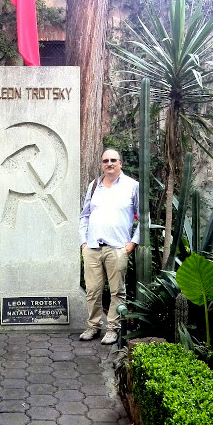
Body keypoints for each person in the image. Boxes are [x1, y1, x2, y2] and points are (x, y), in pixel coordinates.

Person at [78, 148, 139, 345]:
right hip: (93, 247)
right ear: (101, 164)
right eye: (105, 161)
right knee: (93, 290)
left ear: (120, 163)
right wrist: (83, 241)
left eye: (113, 160)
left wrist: (133, 242)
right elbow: (84, 215)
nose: (109, 163)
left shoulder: (132, 186)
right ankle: (93, 326)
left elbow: (143, 216)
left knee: (117, 291)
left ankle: (113, 329)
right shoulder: (94, 185)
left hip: (118, 248)